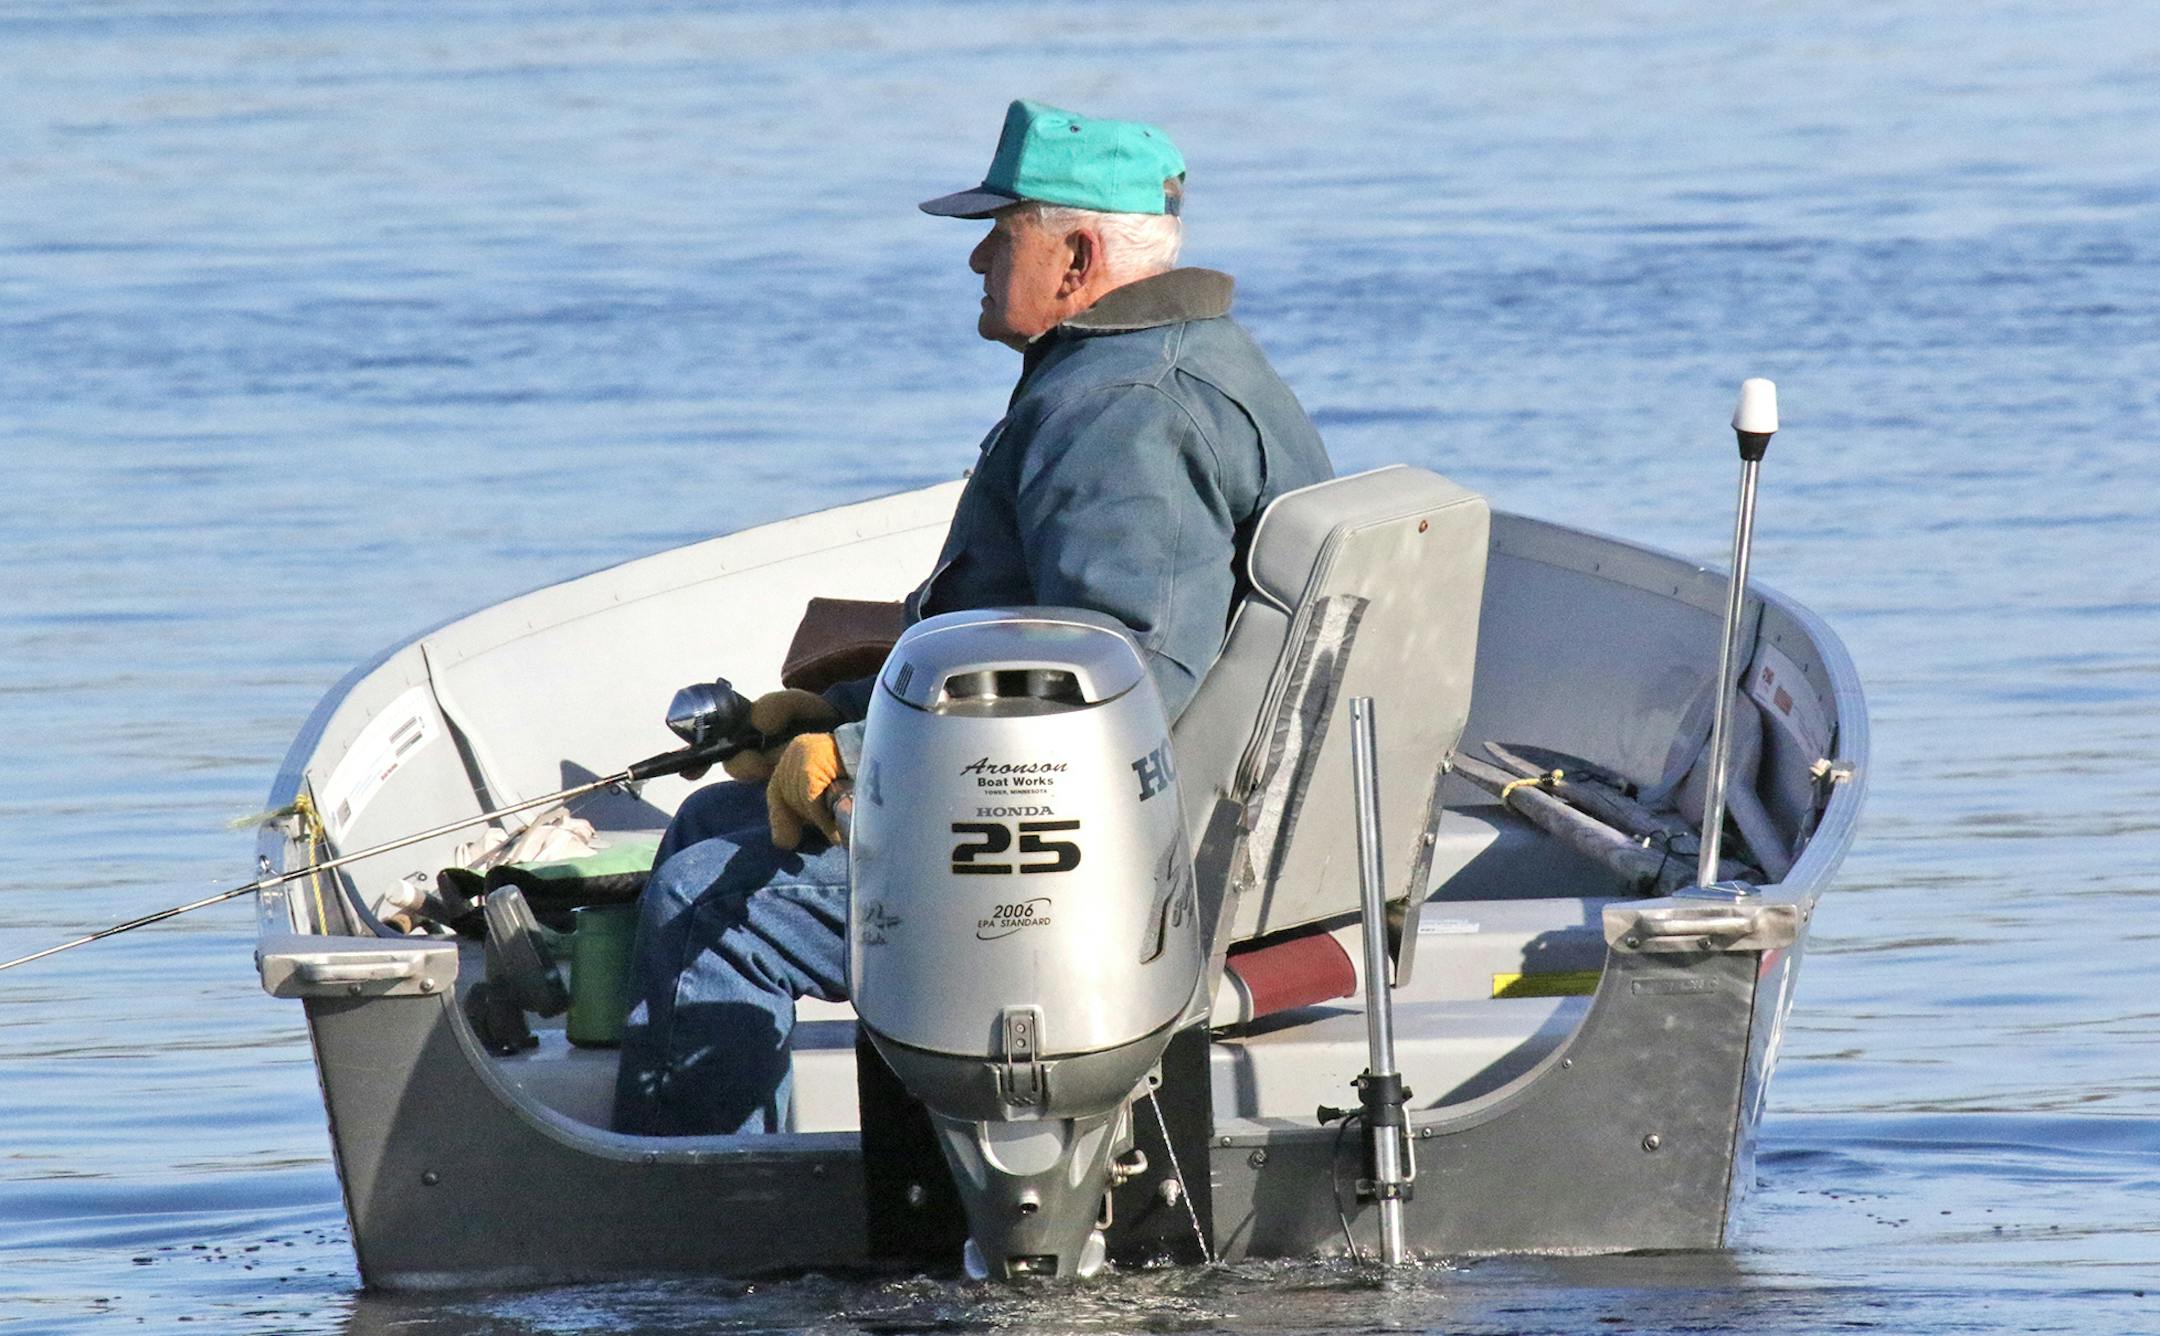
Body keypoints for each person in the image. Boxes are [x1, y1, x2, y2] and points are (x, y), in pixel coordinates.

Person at [612, 99, 1333, 1136]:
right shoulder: (1176, 362)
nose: (978, 262)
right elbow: (1027, 645)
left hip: (1103, 861)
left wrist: (862, 761)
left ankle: (691, 1234)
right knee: (708, 825)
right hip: (1114, 816)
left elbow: (1119, 680)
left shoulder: (1125, 415)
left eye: (1001, 236)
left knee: (712, 903)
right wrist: (826, 712)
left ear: (1078, 255)